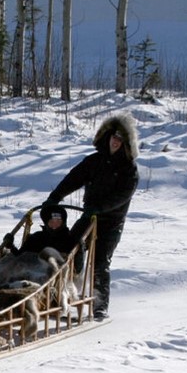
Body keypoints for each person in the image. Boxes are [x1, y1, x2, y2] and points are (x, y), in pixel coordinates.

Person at [42, 113, 139, 320]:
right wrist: (55, 197)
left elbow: (122, 196)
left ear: (126, 144)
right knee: (69, 247)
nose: (115, 142)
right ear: (107, 137)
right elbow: (73, 179)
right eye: (113, 137)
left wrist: (100, 208)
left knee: (100, 261)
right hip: (89, 215)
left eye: (120, 139)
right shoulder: (94, 161)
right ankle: (66, 291)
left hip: (111, 222)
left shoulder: (129, 170)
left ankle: (99, 306)